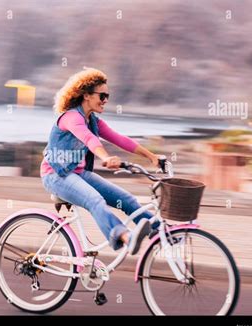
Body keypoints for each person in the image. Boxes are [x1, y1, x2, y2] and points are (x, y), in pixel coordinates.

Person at [40, 68, 161, 255]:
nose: (105, 100)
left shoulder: (93, 120)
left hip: (78, 174)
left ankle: (160, 232)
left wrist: (151, 157)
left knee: (127, 200)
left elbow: (120, 139)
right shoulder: (72, 117)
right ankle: (124, 237)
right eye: (102, 96)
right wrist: (105, 157)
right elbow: (89, 139)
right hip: (56, 175)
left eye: (107, 96)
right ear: (86, 95)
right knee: (95, 200)